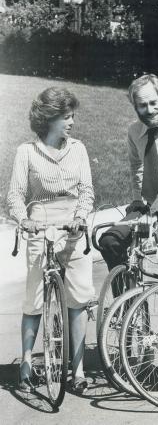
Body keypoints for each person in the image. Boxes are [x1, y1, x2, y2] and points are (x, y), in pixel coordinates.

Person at [7, 87, 95, 395]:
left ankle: (79, 370)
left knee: (78, 300)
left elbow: (87, 191)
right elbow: (15, 197)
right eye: (66, 117)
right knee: (34, 301)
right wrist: (25, 220)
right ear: (50, 119)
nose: (72, 122)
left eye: (72, 116)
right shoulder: (27, 152)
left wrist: (81, 217)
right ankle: (27, 364)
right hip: (40, 228)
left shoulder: (79, 149)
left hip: (72, 230)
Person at [99, 74, 158, 270]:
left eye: (154, 103)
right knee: (110, 242)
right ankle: (128, 300)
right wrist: (137, 200)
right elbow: (136, 166)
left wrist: (155, 212)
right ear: (135, 106)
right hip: (150, 206)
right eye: (142, 106)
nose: (150, 110)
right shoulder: (134, 132)